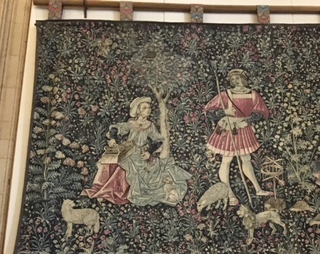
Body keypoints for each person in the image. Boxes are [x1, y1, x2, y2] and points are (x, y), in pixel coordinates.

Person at [83, 97, 190, 207]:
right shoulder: (131, 123)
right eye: (144, 108)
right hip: (127, 149)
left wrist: (149, 152)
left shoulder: (150, 125)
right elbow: (116, 128)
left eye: (149, 108)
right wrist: (113, 138)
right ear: (138, 110)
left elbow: (158, 140)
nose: (148, 110)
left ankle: (119, 193)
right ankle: (104, 189)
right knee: (111, 160)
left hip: (140, 153)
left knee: (134, 169)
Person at [204, 69, 272, 205]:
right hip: (228, 128)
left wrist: (246, 121)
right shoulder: (226, 94)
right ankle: (229, 194)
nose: (237, 81)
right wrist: (225, 112)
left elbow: (262, 112)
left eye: (239, 78)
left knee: (246, 159)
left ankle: (257, 189)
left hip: (243, 128)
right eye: (234, 79)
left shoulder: (253, 95)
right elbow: (208, 110)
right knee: (227, 159)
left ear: (245, 79)